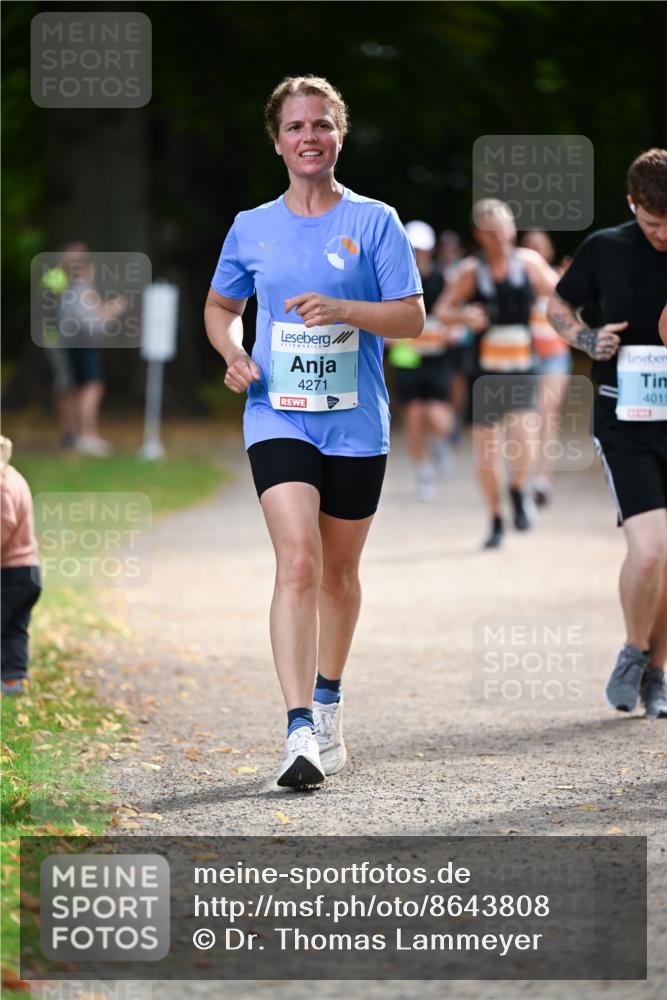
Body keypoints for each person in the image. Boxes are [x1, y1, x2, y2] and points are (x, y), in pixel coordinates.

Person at [204, 76, 424, 788]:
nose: (309, 137)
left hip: (356, 422)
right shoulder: (250, 226)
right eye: (296, 127)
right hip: (276, 412)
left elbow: (412, 318)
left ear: (339, 135)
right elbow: (219, 305)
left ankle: (328, 702)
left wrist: (345, 309)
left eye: (321, 125)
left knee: (338, 572)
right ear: (277, 141)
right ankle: (298, 729)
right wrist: (234, 352)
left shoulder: (376, 221)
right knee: (296, 561)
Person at [547, 148, 667, 720]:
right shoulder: (606, 247)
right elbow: (557, 305)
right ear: (632, 205)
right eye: (652, 223)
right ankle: (634, 650)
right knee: (650, 552)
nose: (664, 234)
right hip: (627, 418)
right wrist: (587, 339)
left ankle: (659, 673)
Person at [435, 199, 558, 548]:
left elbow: (561, 294)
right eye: (490, 230)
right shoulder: (471, 271)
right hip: (484, 373)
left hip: (522, 366)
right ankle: (495, 518)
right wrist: (463, 317)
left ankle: (518, 489)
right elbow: (443, 309)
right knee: (487, 451)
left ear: (513, 229)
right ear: (479, 234)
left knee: (523, 437)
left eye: (504, 227)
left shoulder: (528, 264)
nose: (499, 236)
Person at [386, 220, 454, 500]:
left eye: (422, 249)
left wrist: (454, 330)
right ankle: (423, 471)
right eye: (413, 249)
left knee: (437, 419)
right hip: (407, 358)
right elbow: (384, 318)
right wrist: (387, 336)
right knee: (413, 416)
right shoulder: (392, 278)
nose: (417, 254)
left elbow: (453, 313)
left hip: (436, 358)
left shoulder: (443, 279)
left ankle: (440, 443)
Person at [56, 243, 126, 457]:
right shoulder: (82, 290)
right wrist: (113, 312)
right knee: (92, 387)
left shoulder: (68, 289)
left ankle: (79, 435)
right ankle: (87, 436)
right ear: (87, 270)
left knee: (79, 388)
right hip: (83, 344)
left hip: (71, 343)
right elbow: (94, 324)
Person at [519, 230, 573, 507]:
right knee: (526, 418)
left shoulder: (558, 278)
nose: (535, 251)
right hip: (525, 357)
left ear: (548, 251)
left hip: (554, 355)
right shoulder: (517, 280)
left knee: (547, 416)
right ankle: (523, 479)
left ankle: (542, 480)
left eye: (540, 246)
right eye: (530, 246)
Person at [1, 437, 42, 696]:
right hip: (29, 570)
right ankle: (13, 680)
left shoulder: (2, 484)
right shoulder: (13, 476)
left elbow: (3, 524)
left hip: (9, 573)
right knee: (14, 627)